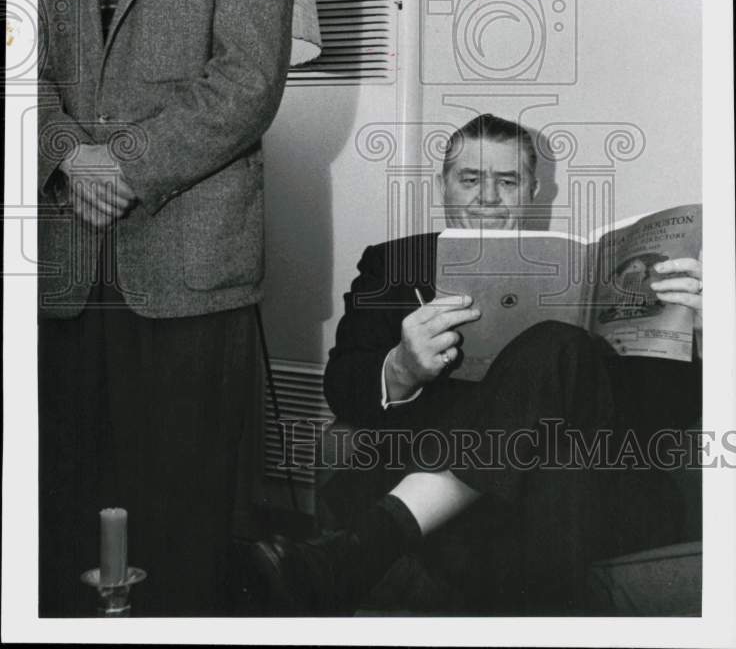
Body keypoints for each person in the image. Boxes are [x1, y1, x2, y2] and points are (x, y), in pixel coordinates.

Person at [241, 114, 703, 616]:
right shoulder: (393, 265)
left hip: (590, 482)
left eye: (507, 181)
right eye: (470, 179)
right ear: (444, 186)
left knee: (559, 351)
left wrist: (693, 329)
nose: (487, 197)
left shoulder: (594, 276)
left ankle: (367, 547)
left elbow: (666, 414)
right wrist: (401, 367)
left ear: (532, 189)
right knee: (552, 464)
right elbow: (342, 385)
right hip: (472, 477)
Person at [37, 0, 293, 617]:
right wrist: (71, 154)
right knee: (63, 505)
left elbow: (246, 85)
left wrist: (122, 164)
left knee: (182, 516)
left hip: (188, 270)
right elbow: (20, 77)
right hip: (67, 273)